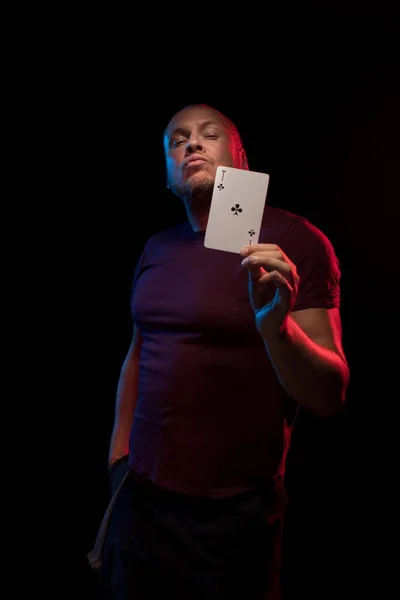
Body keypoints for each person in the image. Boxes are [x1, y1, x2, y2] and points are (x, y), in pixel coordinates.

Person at [89, 103, 350, 599]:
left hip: (235, 515)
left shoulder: (295, 241)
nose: (191, 143)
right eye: (177, 139)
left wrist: (277, 329)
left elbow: (330, 394)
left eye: (209, 135)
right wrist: (118, 457)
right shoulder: (156, 248)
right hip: (140, 500)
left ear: (239, 159)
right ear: (168, 170)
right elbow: (139, 350)